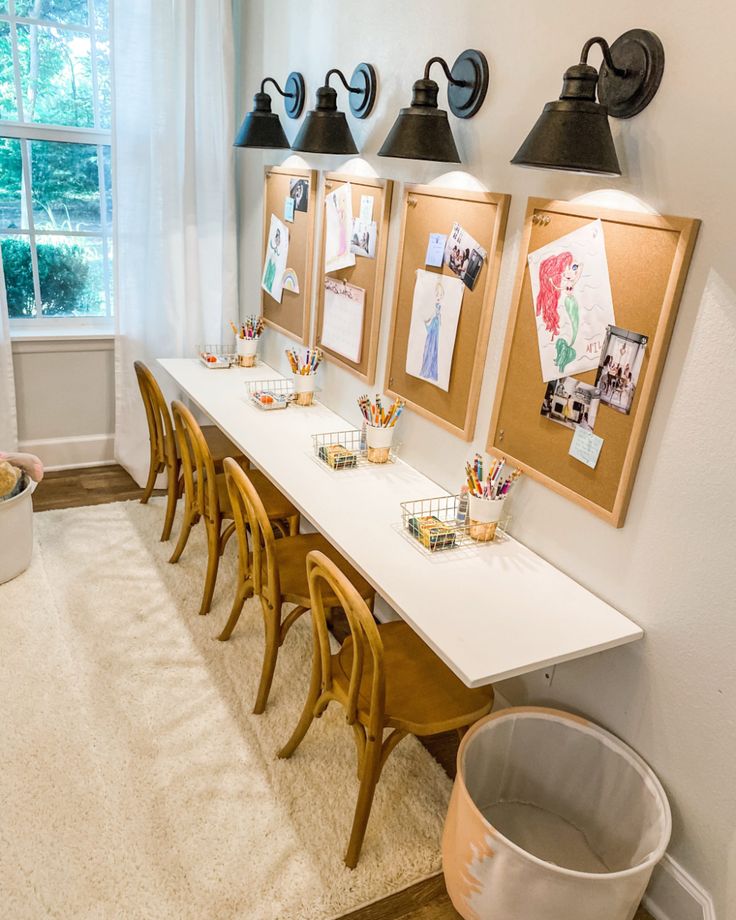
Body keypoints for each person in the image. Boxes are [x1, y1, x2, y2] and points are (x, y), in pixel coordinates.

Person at [420, 282, 444, 382]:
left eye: (440, 295)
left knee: (434, 350)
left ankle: (432, 371)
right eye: (437, 294)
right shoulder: (433, 306)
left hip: (436, 330)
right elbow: (431, 316)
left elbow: (440, 319)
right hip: (432, 329)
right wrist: (428, 320)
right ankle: (426, 370)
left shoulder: (439, 307)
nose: (438, 297)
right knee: (429, 348)